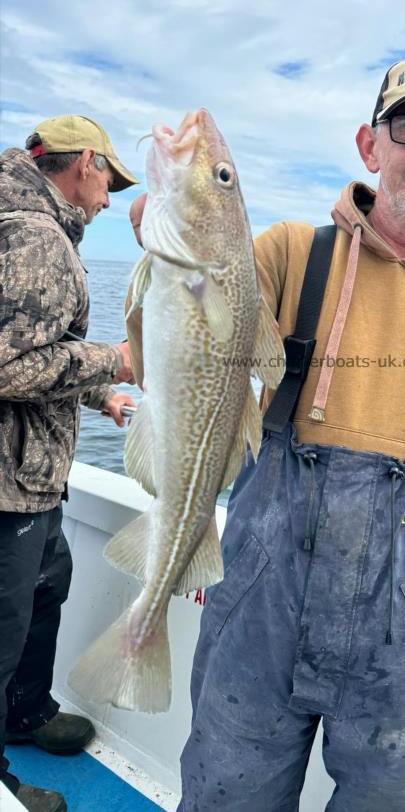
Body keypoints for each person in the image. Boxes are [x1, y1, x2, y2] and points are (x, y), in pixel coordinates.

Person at [131, 50, 405, 811]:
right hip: (260, 602)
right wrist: (162, 223)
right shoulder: (288, 255)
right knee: (227, 792)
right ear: (370, 144)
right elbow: (179, 333)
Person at [0, 115, 138, 812]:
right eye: (110, 178)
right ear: (84, 163)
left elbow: (36, 344)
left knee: (47, 587)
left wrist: (100, 393)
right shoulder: (35, 235)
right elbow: (11, 364)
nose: (111, 198)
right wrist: (112, 357)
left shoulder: (27, 221)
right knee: (3, 629)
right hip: (7, 486)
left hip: (33, 479)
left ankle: (25, 712)